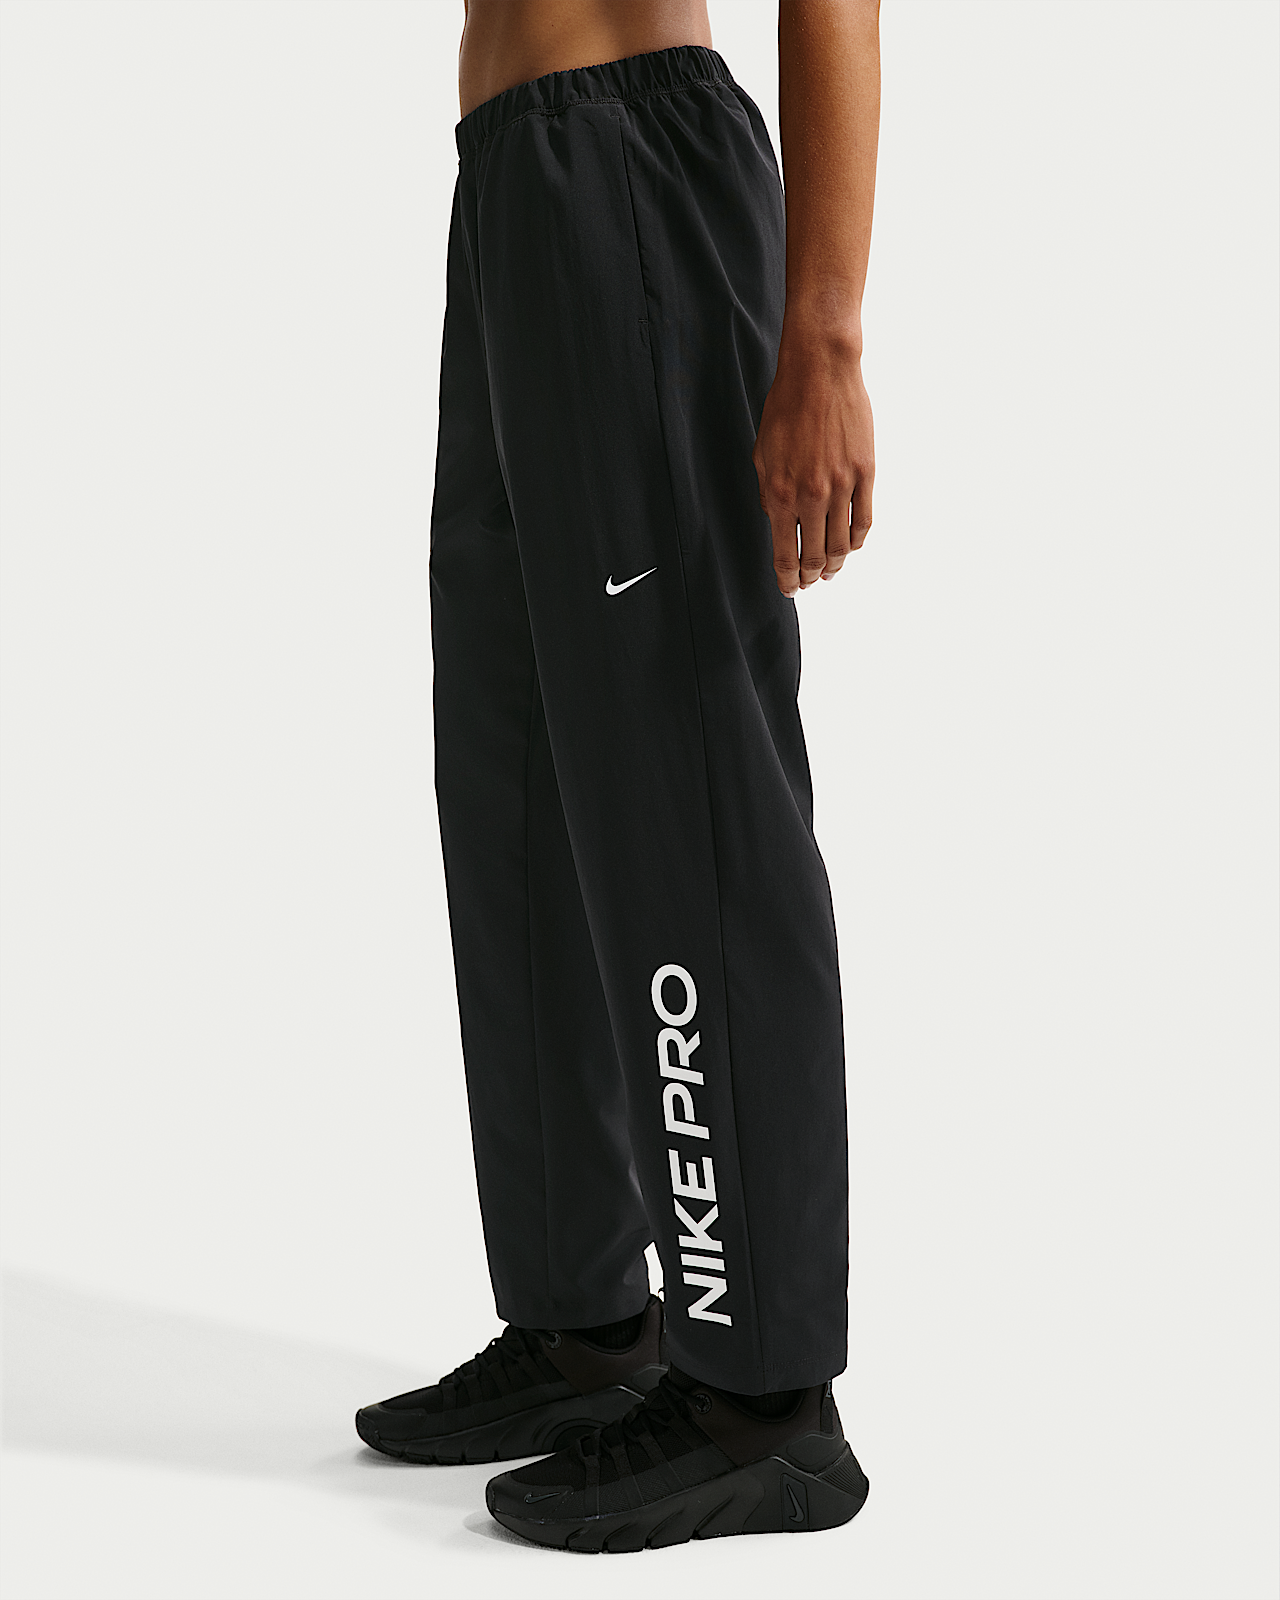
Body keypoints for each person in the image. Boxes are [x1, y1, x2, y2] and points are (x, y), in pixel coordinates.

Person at [356, 0, 880, 1550]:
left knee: (681, 785)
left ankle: (763, 1401)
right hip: (512, 180)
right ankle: (583, 1322)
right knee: (513, 774)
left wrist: (825, 337)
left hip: (633, 167)